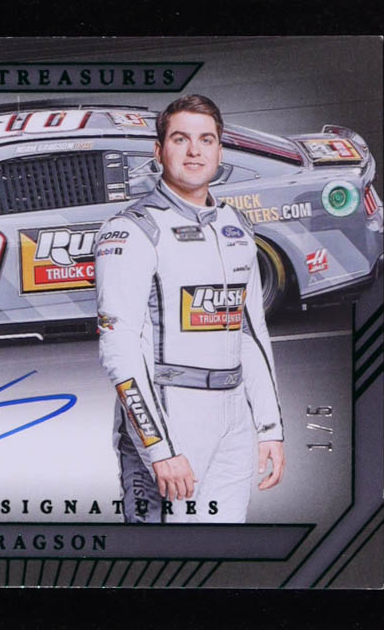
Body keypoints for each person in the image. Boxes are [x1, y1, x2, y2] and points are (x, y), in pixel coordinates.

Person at [95, 95, 285, 523]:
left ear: (220, 150)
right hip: (172, 415)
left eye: (206, 140)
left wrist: (270, 427)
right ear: (158, 151)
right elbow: (119, 349)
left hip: (234, 420)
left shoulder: (236, 226)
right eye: (180, 139)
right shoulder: (130, 230)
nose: (195, 151)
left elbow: (252, 333)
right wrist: (159, 448)